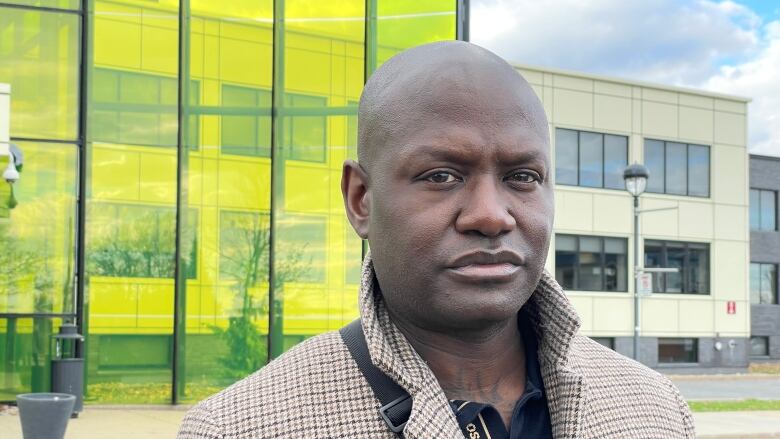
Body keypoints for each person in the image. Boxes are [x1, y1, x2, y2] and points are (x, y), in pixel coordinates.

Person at [178, 41, 695, 439]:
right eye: (442, 176)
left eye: (523, 177)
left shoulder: (654, 409)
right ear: (361, 199)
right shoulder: (244, 427)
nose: (492, 216)